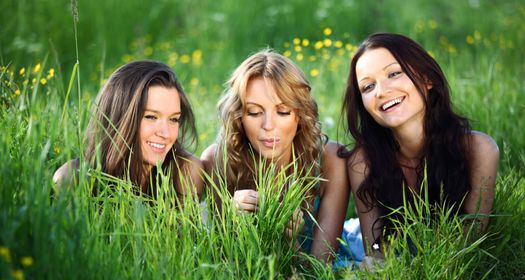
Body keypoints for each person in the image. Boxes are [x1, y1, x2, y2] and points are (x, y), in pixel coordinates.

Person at [342, 33, 499, 265]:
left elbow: (468, 244)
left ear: (427, 79)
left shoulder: (479, 150)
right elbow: (374, 247)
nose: (381, 91)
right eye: (367, 86)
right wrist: (379, 259)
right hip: (355, 240)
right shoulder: (363, 161)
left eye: (394, 73)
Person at [201, 49, 349, 263]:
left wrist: (289, 240)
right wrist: (233, 228)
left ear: (300, 114)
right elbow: (223, 267)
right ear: (239, 116)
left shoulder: (331, 160)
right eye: (254, 112)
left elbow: (320, 273)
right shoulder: (218, 161)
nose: (268, 126)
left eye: (282, 112)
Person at [53, 60, 203, 198]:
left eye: (173, 119)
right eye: (151, 117)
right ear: (120, 118)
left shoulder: (186, 172)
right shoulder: (72, 179)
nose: (166, 133)